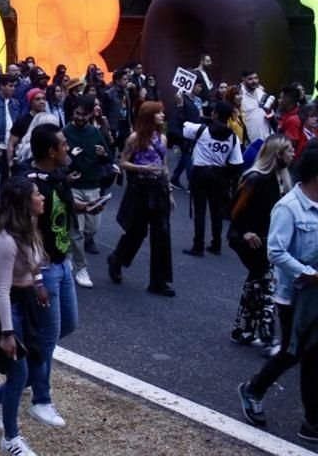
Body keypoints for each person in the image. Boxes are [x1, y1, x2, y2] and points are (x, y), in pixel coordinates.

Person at [238, 148, 318, 442]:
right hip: (294, 296)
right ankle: (253, 389)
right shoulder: (289, 208)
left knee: (313, 355)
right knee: (292, 352)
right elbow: (275, 251)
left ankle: (312, 421)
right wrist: (307, 273)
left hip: (316, 295)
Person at [0, 177, 50, 456]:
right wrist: (7, 333)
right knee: (19, 373)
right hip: (9, 308)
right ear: (23, 203)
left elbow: (35, 259)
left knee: (34, 369)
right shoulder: (5, 241)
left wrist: (38, 283)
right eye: (37, 194)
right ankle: (11, 439)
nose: (42, 198)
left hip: (27, 301)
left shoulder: (28, 227)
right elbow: (2, 290)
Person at [22, 123, 92, 428]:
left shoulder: (57, 177)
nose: (68, 149)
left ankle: (18, 377)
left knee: (67, 324)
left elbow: (61, 207)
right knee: (48, 338)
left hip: (63, 263)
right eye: (63, 145)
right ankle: (41, 400)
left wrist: (83, 205)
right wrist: (36, 276)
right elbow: (26, 231)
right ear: (51, 151)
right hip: (46, 268)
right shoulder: (31, 185)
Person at [227, 135, 293, 349]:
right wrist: (245, 232)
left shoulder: (281, 178)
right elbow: (233, 211)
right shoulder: (255, 178)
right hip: (249, 239)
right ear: (277, 154)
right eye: (289, 150)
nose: (293, 154)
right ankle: (266, 336)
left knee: (257, 281)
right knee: (266, 283)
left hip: (267, 240)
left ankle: (244, 329)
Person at [107, 101, 177, 296]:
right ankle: (117, 259)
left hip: (159, 188)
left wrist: (169, 191)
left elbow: (164, 166)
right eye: (158, 113)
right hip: (140, 189)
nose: (162, 116)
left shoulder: (162, 139)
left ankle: (159, 281)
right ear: (149, 116)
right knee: (136, 231)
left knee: (162, 234)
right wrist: (143, 168)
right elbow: (122, 162)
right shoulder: (135, 138)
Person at [181, 101, 244, 257]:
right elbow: (237, 163)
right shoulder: (233, 138)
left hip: (200, 173)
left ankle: (198, 245)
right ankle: (216, 244)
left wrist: (181, 107)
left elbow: (184, 127)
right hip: (219, 176)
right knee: (216, 212)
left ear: (214, 114)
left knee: (200, 211)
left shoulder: (202, 130)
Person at [63, 95, 111, 261]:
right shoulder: (65, 132)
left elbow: (108, 158)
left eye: (84, 114)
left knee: (92, 228)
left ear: (90, 115)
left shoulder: (95, 132)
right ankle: (78, 265)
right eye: (77, 113)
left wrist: (103, 154)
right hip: (74, 186)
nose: (80, 117)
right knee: (78, 230)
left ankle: (72, 250)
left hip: (93, 186)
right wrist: (69, 156)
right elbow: (58, 160)